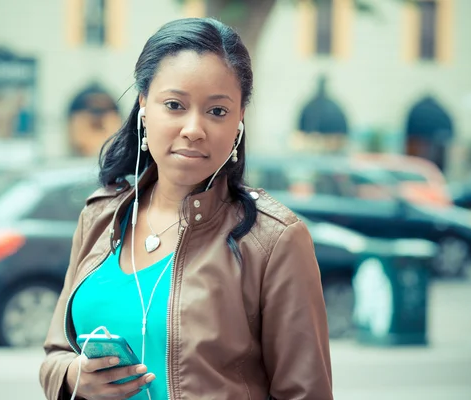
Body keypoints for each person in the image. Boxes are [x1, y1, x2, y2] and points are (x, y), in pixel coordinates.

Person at [40, 18, 333, 400]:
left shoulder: (274, 240)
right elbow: (56, 354)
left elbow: (305, 393)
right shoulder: (100, 217)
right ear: (144, 105)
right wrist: (75, 376)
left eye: (217, 111)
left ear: (240, 118)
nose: (194, 128)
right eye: (175, 105)